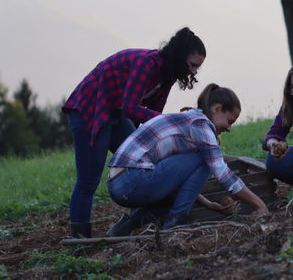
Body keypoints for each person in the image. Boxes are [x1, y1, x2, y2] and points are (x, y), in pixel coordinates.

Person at [62, 27, 206, 238]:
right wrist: (172, 122)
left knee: (144, 161)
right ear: (179, 56)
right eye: (193, 65)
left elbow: (152, 118)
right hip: (90, 109)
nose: (194, 72)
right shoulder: (146, 63)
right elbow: (131, 107)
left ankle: (131, 222)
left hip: (115, 113)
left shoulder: (168, 75)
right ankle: (79, 239)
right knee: (88, 180)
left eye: (198, 68)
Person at [105, 83, 270, 236]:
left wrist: (209, 205)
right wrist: (259, 204)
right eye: (229, 121)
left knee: (177, 192)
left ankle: (126, 226)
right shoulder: (200, 124)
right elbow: (221, 172)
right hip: (133, 179)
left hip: (120, 184)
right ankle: (176, 222)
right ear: (217, 108)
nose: (229, 128)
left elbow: (174, 180)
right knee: (206, 158)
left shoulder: (188, 120)